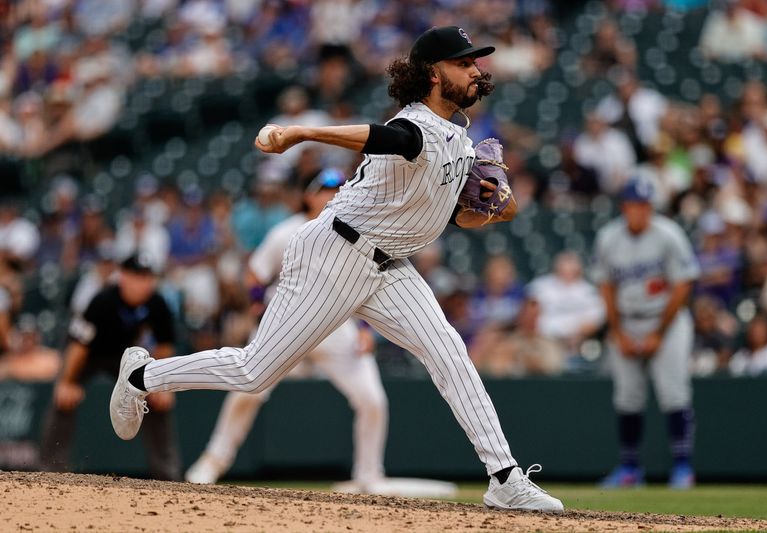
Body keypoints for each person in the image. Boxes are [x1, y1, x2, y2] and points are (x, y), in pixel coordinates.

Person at [109, 26, 563, 512]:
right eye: (465, 63)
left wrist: (498, 206)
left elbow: (462, 214)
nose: (477, 70)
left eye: (476, 62)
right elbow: (382, 136)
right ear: (435, 74)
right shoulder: (416, 128)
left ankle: (504, 477)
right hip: (334, 255)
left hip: (390, 267)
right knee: (255, 372)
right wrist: (302, 132)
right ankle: (143, 376)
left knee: (450, 352)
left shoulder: (457, 138)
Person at [185, 168, 392, 492]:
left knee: (372, 399)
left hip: (337, 328)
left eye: (340, 188)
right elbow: (254, 274)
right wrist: (257, 304)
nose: (333, 194)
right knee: (246, 389)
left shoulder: (359, 235)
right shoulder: (288, 232)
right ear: (309, 195)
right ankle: (213, 461)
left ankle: (368, 475)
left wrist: (368, 328)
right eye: (326, 188)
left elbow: (369, 285)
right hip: (287, 324)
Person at [592, 177, 700, 490]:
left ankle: (683, 468)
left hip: (667, 320)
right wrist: (617, 332)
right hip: (626, 320)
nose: (640, 211)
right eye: (634, 205)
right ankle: (629, 470)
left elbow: (682, 286)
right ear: (624, 206)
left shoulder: (668, 234)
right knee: (627, 398)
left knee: (674, 394)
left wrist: (658, 333)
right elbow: (606, 287)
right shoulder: (609, 237)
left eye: (645, 205)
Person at [41, 254, 181, 480]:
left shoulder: (157, 303)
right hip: (87, 357)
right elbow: (79, 345)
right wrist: (67, 382)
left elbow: (164, 347)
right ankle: (49, 471)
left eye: (147, 277)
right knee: (63, 397)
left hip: (124, 356)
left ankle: (168, 475)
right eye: (137, 276)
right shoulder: (103, 300)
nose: (143, 283)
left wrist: (161, 386)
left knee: (157, 397)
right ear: (123, 277)